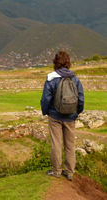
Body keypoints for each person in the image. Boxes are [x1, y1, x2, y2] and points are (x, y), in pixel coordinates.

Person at [40, 50, 84, 181]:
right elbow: (81, 99)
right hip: (70, 117)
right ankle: (70, 172)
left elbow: (45, 99)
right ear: (68, 62)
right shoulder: (75, 79)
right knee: (70, 145)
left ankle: (56, 171)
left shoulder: (51, 78)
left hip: (55, 116)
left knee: (56, 144)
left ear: (55, 62)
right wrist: (76, 113)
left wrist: (46, 112)